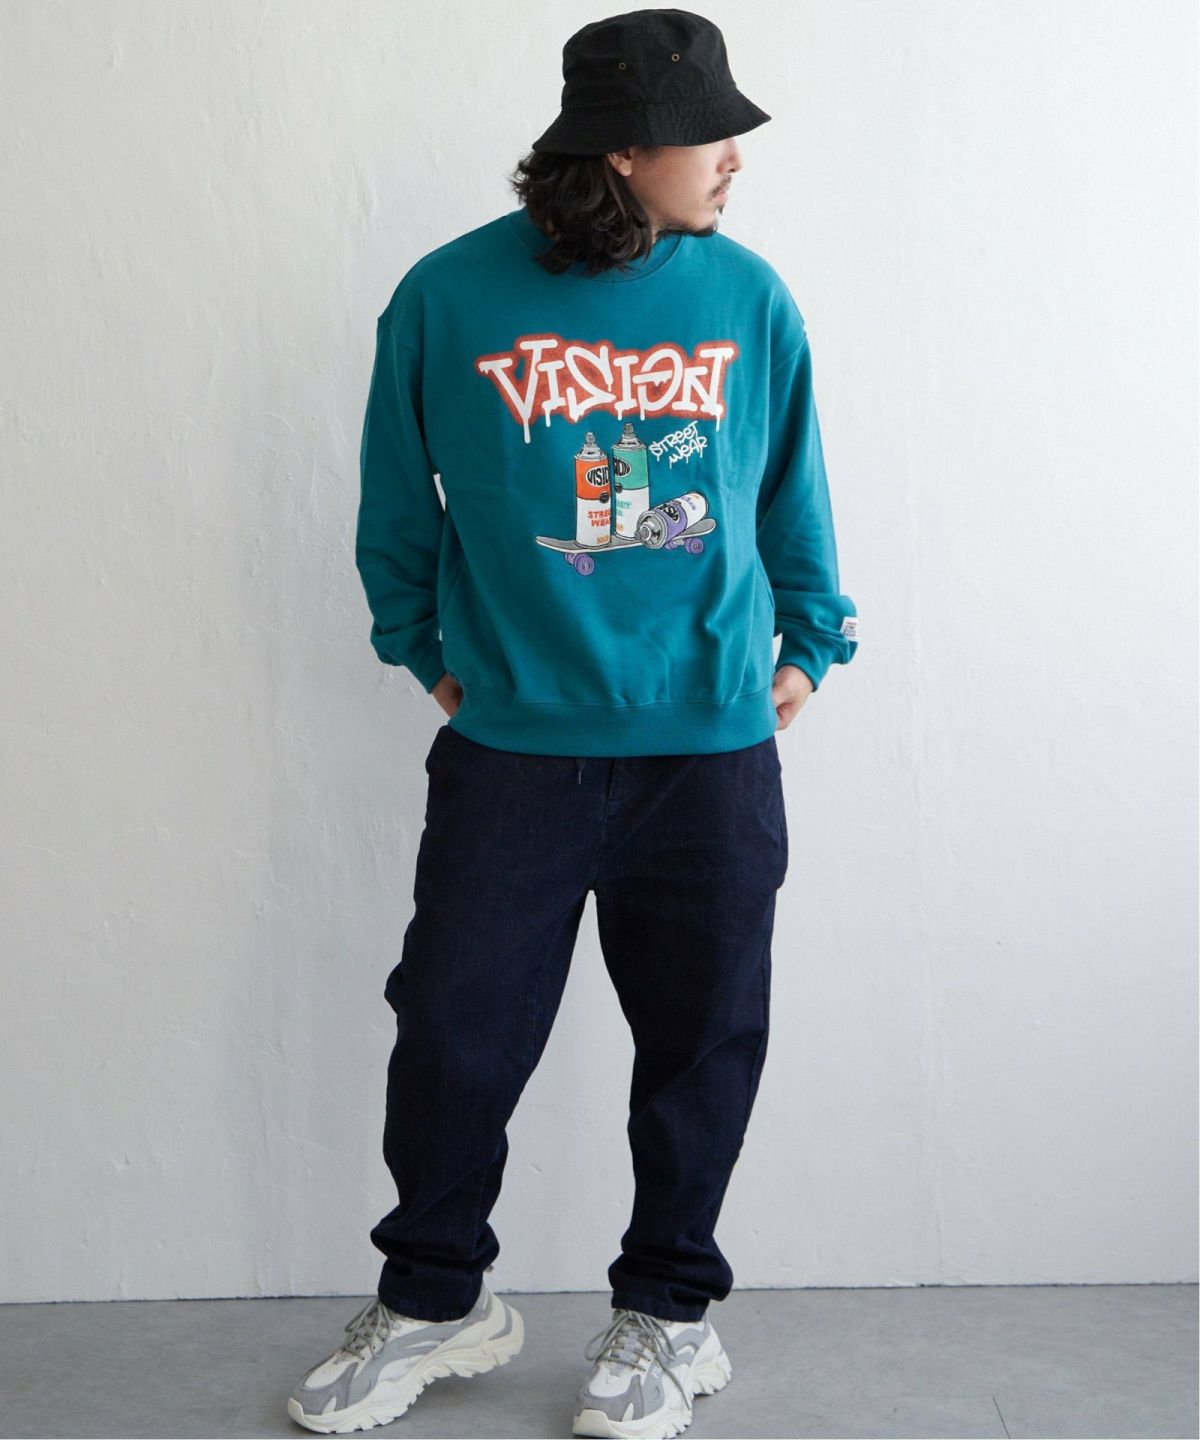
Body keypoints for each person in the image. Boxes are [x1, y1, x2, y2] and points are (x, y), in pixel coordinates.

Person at [288, 8, 858, 1437]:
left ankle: (668, 1314)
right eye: (710, 134)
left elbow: (786, 481)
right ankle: (436, 1300)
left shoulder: (748, 298)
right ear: (623, 151)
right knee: (452, 1032)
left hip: (708, 748)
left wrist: (811, 639)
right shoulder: (447, 297)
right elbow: (393, 498)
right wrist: (422, 649)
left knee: (701, 1043)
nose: (735, 159)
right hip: (513, 751)